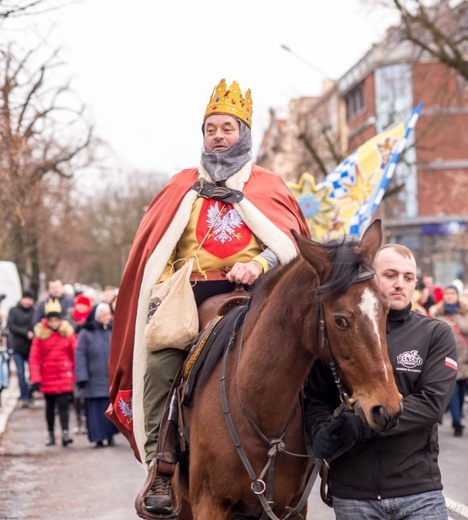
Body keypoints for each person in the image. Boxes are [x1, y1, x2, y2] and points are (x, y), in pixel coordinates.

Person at [106, 78, 310, 516]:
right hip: (189, 296)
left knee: (310, 355)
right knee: (162, 360)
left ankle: (325, 456)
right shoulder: (183, 185)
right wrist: (163, 289)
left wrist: (259, 265)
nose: (218, 135)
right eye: (211, 128)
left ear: (244, 134)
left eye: (227, 128)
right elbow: (155, 248)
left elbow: (292, 245)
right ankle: (161, 469)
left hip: (254, 295)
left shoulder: (268, 185)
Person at [306, 243, 457, 520]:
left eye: (408, 277)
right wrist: (320, 431)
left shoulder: (435, 334)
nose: (400, 284)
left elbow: (432, 404)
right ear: (369, 275)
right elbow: (317, 396)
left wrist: (360, 425)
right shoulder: (342, 328)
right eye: (390, 275)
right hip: (353, 494)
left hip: (418, 492)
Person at [29, 299, 76, 447]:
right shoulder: (40, 336)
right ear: (47, 320)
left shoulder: (67, 334)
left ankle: (65, 433)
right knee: (50, 407)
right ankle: (50, 433)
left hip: (63, 375)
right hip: (47, 376)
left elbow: (74, 354)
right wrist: (36, 378)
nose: (54, 323)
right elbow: (34, 359)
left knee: (63, 406)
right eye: (52, 320)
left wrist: (73, 372)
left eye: (56, 320)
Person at [75, 302, 119, 447]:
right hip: (93, 379)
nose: (108, 317)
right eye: (104, 314)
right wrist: (82, 377)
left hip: (109, 379)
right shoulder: (86, 333)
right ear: (97, 316)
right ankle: (98, 437)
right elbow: (80, 356)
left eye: (108, 314)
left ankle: (110, 435)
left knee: (109, 408)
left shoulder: (112, 330)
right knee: (95, 411)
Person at [430, 284, 468, 436]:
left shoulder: (465, 312)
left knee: (461, 391)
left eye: (453, 293)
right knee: (452, 391)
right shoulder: (438, 314)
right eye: (447, 293)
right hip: (447, 359)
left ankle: (458, 415)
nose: (450, 296)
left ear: (457, 296)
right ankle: (457, 421)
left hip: (465, 359)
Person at [67, 293, 94, 435]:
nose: (82, 307)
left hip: (88, 361)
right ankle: (78, 421)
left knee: (86, 396)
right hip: (72, 362)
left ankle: (86, 420)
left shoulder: (91, 321)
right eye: (80, 304)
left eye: (84, 304)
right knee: (77, 395)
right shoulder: (70, 320)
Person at [6, 290, 36, 407]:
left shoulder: (34, 311)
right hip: (18, 346)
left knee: (32, 373)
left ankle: (30, 394)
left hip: (31, 347)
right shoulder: (13, 311)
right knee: (20, 372)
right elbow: (11, 326)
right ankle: (24, 396)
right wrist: (26, 333)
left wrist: (32, 333)